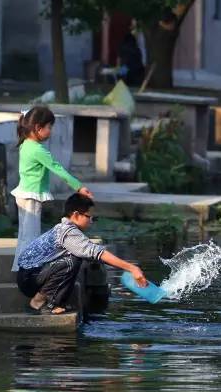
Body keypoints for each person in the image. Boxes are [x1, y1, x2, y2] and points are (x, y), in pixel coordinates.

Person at [15, 193, 148, 315]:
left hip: (33, 274)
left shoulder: (64, 228)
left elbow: (91, 250)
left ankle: (53, 301)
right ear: (76, 214)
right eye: (89, 217)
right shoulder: (68, 232)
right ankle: (38, 302)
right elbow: (97, 252)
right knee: (71, 261)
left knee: (74, 259)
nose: (91, 221)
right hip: (29, 278)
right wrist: (132, 268)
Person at [11, 106, 94, 270]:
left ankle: (20, 267)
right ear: (38, 128)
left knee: (24, 234)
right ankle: (28, 268)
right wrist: (79, 187)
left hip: (24, 194)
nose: (51, 131)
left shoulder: (25, 144)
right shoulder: (38, 150)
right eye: (49, 127)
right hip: (31, 196)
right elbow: (58, 169)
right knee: (31, 235)